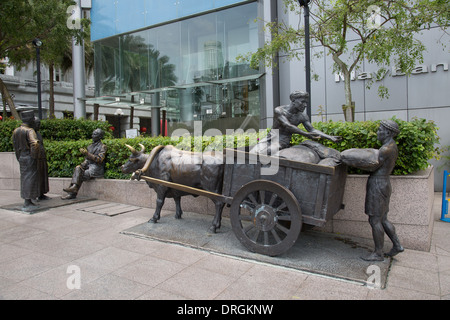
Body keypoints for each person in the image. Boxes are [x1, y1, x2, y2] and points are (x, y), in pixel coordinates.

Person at [341, 120, 404, 261]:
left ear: (388, 132)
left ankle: (378, 253)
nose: (378, 132)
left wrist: (351, 161)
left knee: (374, 220)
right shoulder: (392, 146)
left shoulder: (386, 149)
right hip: (384, 183)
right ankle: (397, 245)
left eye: (380, 130)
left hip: (378, 184)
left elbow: (372, 166)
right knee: (383, 218)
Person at [250, 90, 341, 155]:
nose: (305, 105)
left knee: (267, 152)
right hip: (270, 137)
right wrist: (306, 134)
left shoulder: (302, 116)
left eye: (306, 102)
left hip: (283, 141)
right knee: (252, 153)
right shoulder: (279, 110)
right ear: (293, 101)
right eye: (302, 102)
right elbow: (287, 125)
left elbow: (312, 129)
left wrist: (330, 137)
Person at [62, 128, 107, 200]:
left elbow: (99, 160)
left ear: (100, 137)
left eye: (95, 134)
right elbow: (87, 160)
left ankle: (72, 193)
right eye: (92, 134)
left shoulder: (103, 147)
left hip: (96, 169)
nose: (92, 135)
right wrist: (83, 164)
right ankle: (73, 188)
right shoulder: (89, 146)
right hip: (88, 167)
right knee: (78, 168)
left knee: (79, 175)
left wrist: (87, 153)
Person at [12, 110, 40, 212]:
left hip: (22, 157)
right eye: (33, 118)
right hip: (29, 157)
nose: (34, 120)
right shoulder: (30, 131)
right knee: (30, 178)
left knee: (24, 178)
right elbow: (35, 144)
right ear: (30, 119)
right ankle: (27, 202)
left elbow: (15, 146)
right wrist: (34, 156)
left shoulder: (16, 131)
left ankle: (27, 200)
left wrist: (19, 157)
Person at [34, 118, 50, 201]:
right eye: (37, 124)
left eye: (39, 124)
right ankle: (35, 194)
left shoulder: (39, 134)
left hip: (42, 157)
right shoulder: (31, 134)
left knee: (43, 176)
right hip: (36, 158)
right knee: (36, 177)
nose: (38, 126)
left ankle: (42, 193)